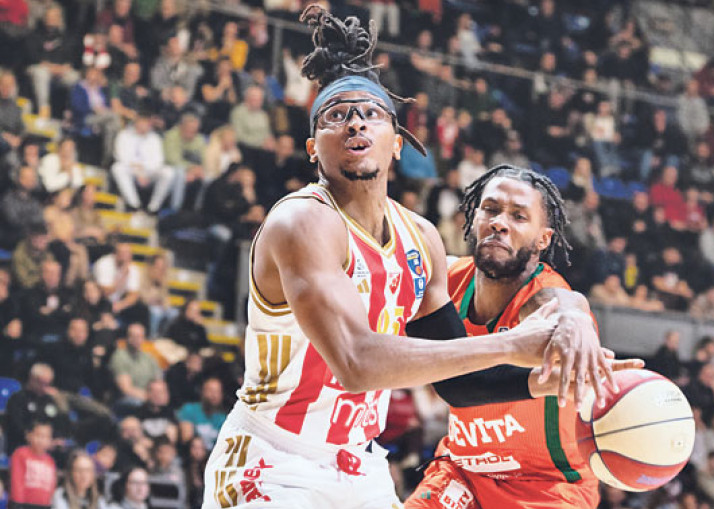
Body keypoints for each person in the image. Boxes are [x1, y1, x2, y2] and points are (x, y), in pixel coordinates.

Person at [202, 8, 620, 508]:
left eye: (370, 113)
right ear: (313, 149)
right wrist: (513, 345)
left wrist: (545, 378)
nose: (355, 122)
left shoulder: (420, 238)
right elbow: (356, 362)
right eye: (336, 115)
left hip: (360, 467)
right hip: (275, 459)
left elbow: (457, 384)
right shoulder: (303, 222)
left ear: (397, 143)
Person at [406, 165, 643, 509]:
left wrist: (576, 315)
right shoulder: (447, 281)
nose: (499, 223)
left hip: (548, 486)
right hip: (463, 472)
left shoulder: (545, 296)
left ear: (543, 239)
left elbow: (561, 304)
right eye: (490, 209)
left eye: (518, 216)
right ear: (473, 219)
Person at [9, 421, 57, 509]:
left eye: (46, 437)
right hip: (23, 505)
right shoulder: (20, 454)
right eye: (38, 435)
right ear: (29, 435)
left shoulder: (50, 461)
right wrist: (17, 504)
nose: (41, 440)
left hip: (44, 505)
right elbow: (17, 482)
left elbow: (52, 486)